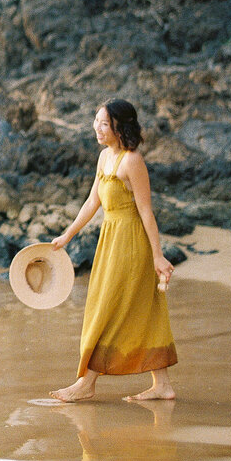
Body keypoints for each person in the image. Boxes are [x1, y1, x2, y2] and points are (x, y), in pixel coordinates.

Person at [49, 98, 178, 403]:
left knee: (108, 309)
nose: (97, 128)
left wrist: (158, 256)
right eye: (96, 121)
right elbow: (92, 202)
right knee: (141, 310)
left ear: (120, 127)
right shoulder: (104, 157)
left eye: (104, 123)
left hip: (131, 244)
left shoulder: (132, 161)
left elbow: (146, 211)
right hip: (110, 240)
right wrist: (66, 236)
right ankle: (162, 386)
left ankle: (86, 382)